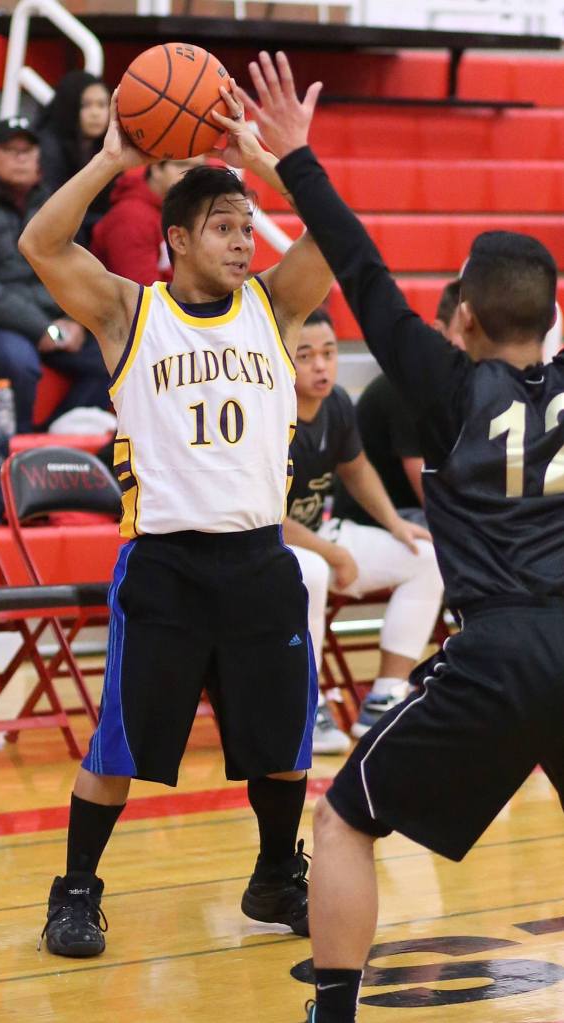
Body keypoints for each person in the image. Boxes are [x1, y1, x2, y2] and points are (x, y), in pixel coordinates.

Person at [241, 51, 564, 1023]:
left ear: (461, 316)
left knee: (343, 823)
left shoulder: (450, 383)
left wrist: (295, 158)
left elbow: (362, 268)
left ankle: (332, 1016)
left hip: (500, 651)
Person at [19, 83, 333, 958]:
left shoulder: (275, 306)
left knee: (282, 743)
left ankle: (276, 876)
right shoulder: (130, 311)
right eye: (226, 226)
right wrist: (113, 161)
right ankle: (76, 890)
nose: (243, 240)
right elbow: (40, 243)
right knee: (121, 742)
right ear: (180, 238)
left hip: (260, 561)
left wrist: (282, 165)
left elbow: (343, 238)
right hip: (165, 565)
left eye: (247, 225)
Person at [284, 308, 444, 746]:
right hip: (266, 547)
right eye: (306, 355)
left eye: (329, 353)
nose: (321, 365)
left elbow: (356, 469)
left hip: (319, 534)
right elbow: (265, 521)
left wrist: (396, 524)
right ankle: (305, 707)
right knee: (313, 572)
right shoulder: (269, 412)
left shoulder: (336, 403)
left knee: (426, 557)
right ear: (281, 357)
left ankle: (384, 699)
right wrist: (333, 553)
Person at [0, 116, 110, 433]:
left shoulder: (50, 199)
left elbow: (75, 267)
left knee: (109, 359)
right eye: (11, 150)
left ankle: (53, 439)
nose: (21, 158)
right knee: (17, 362)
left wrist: (75, 320)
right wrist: (43, 328)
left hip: (50, 320)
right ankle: (11, 455)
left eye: (28, 150)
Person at [333, 278, 463, 529]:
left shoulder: (473, 383)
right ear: (438, 331)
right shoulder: (409, 386)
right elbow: (434, 499)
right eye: (466, 332)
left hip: (413, 514)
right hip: (371, 522)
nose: (475, 344)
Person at [91, 158, 203, 285]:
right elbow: (142, 294)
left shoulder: (183, 210)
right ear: (156, 168)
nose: (192, 176)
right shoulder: (130, 217)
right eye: (182, 165)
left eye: (198, 168)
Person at [36, 70, 112, 246]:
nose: (95, 113)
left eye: (102, 105)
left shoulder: (106, 146)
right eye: (86, 105)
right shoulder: (47, 147)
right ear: (69, 106)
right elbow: (53, 210)